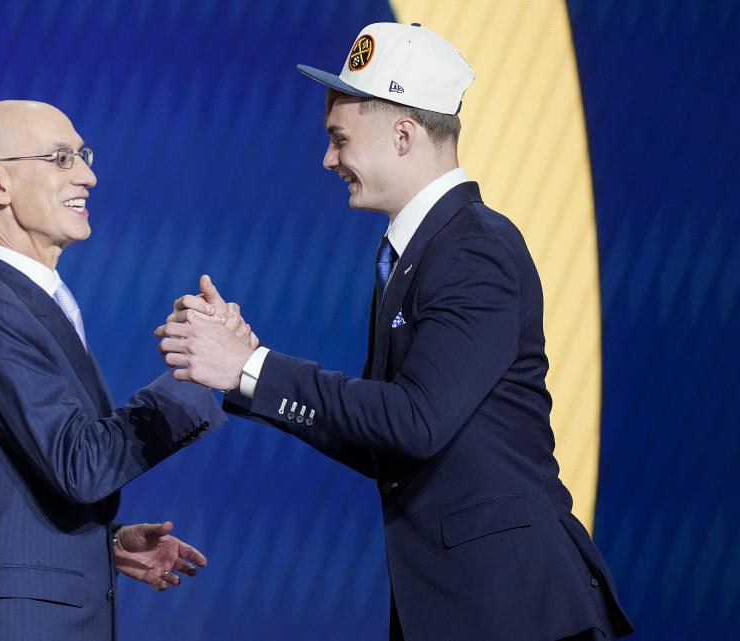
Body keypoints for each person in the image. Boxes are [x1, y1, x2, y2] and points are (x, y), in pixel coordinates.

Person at [156, 23, 634, 641]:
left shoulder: (470, 249)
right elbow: (388, 440)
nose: (329, 160)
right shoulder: (418, 253)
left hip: (513, 608)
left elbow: (415, 421)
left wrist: (251, 368)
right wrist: (247, 370)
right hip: (459, 606)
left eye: (340, 139)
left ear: (404, 135)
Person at [0, 100, 230, 641]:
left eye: (83, 156)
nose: (88, 175)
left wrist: (104, 544)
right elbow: (82, 464)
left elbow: (28, 478)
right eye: (61, 158)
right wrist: (200, 373)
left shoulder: (26, 305)